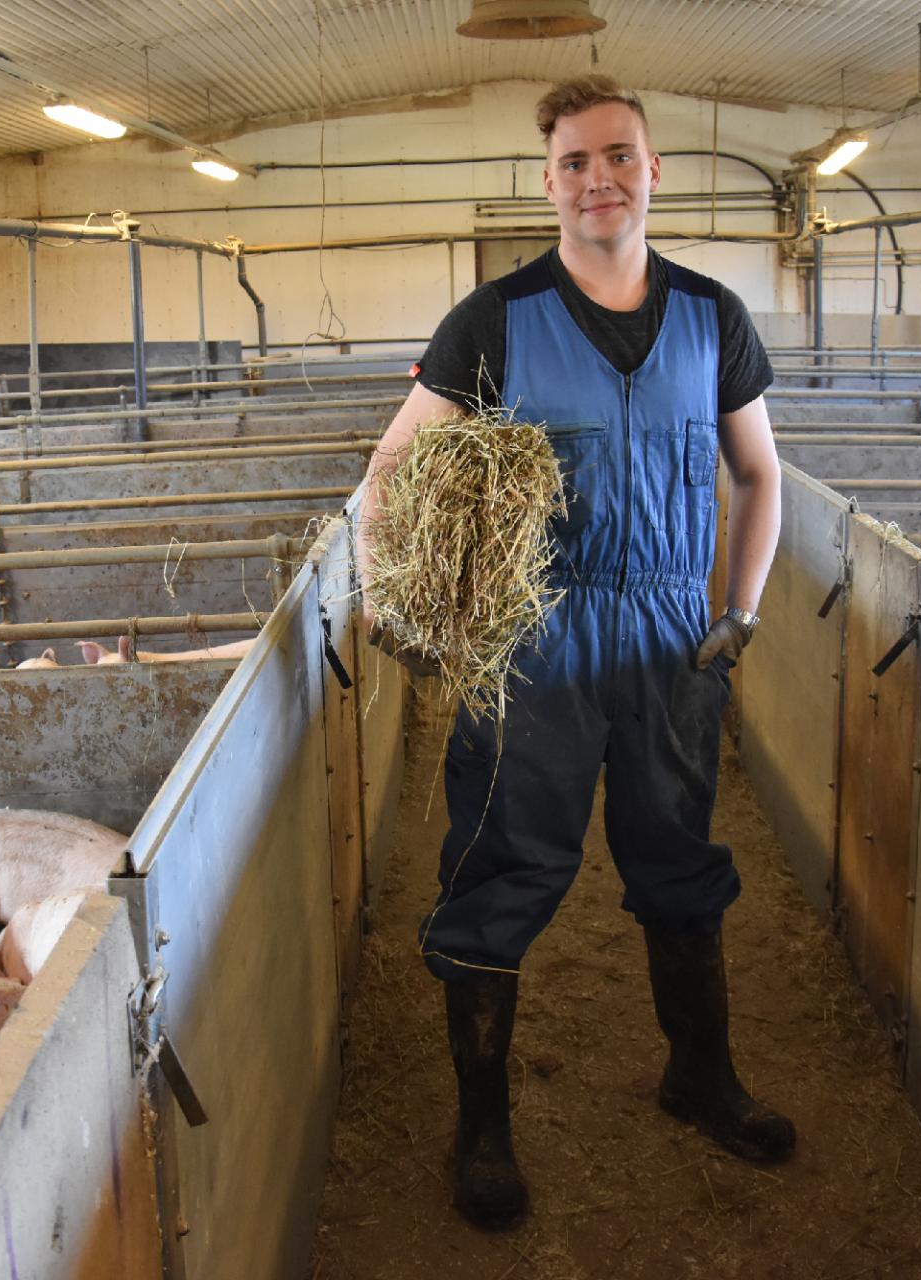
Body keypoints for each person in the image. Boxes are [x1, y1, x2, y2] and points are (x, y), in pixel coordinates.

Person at [356, 75, 792, 1230]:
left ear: (653, 169)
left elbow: (758, 474)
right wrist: (395, 600)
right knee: (498, 873)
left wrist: (738, 612)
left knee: (678, 861)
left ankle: (700, 1073)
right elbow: (390, 469)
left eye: (618, 155)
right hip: (534, 643)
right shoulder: (494, 319)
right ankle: (481, 1124)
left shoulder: (711, 315)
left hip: (669, 642)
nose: (598, 178)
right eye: (574, 161)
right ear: (546, 181)